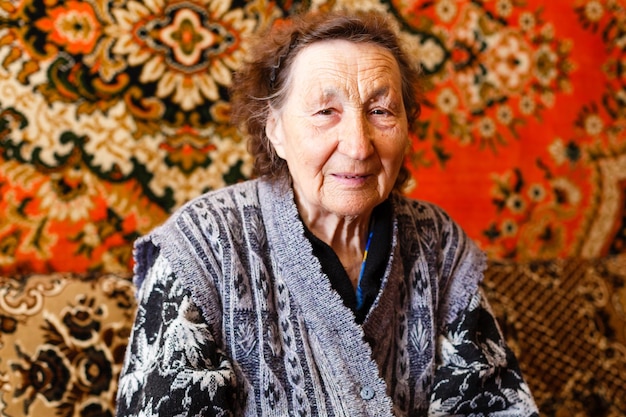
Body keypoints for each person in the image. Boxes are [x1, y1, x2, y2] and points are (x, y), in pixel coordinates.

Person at [116, 9, 539, 417]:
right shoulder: (205, 245)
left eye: (380, 111)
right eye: (325, 112)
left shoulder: (438, 243)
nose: (358, 145)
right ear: (275, 129)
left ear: (408, 127)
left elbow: (492, 406)